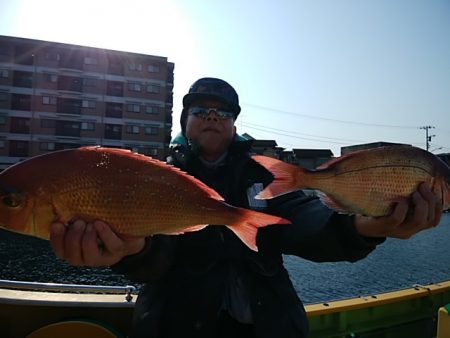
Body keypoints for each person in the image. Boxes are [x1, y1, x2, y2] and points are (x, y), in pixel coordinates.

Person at [50, 77, 443, 338]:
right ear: (184, 121)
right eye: (200, 110)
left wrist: (364, 229)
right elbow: (158, 256)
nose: (211, 117)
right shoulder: (158, 179)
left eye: (222, 112)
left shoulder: (265, 175)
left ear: (234, 125)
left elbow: (305, 221)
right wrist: (130, 251)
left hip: (270, 325)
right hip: (176, 325)